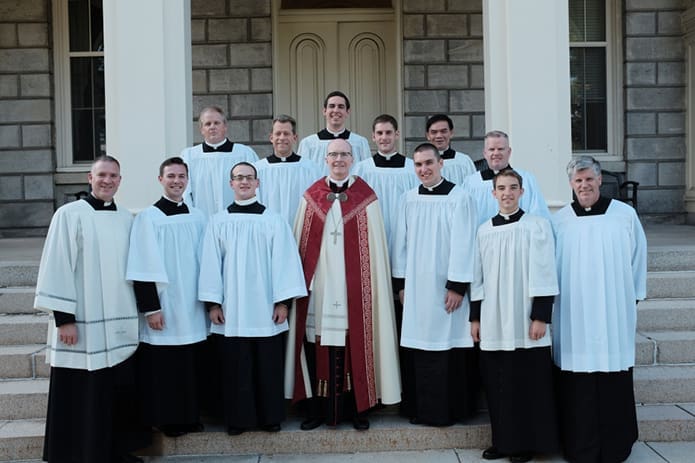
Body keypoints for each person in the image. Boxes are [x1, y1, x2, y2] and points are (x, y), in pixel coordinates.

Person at [34, 155, 149, 463]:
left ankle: (113, 451)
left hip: (117, 324)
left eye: (113, 176)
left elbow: (137, 268)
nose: (107, 180)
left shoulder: (127, 218)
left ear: (120, 181)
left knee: (114, 392)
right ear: (90, 177)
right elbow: (57, 265)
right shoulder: (69, 214)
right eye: (102, 175)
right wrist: (64, 319)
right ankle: (78, 453)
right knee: (83, 392)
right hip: (81, 323)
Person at [285, 138, 401, 431]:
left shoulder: (366, 197)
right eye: (333, 154)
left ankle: (357, 409)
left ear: (353, 159)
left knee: (355, 341)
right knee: (316, 342)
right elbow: (300, 244)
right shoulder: (311, 196)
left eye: (344, 155)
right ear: (326, 159)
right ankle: (316, 410)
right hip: (320, 284)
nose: (338, 159)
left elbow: (374, 250)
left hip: (355, 286)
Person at [199, 162, 307, 436]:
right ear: (231, 184)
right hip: (231, 309)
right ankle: (238, 418)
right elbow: (210, 264)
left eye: (249, 178)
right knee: (236, 367)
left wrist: (283, 302)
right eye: (238, 178)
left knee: (267, 365)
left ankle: (270, 417)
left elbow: (285, 263)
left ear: (258, 183)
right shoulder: (218, 221)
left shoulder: (273, 220)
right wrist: (213, 303)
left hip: (266, 308)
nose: (244, 182)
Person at [552, 156, 647, 463]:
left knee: (612, 377)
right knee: (577, 381)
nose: (584, 185)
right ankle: (580, 445)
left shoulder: (624, 215)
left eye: (589, 179)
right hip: (572, 313)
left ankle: (615, 445)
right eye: (578, 181)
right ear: (570, 184)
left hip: (613, 310)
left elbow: (638, 257)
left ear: (599, 180)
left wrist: (630, 298)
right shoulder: (560, 220)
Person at [469, 169, 559, 462]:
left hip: (525, 319)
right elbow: (477, 278)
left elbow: (545, 272)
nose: (507, 193)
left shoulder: (537, 226)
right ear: (493, 194)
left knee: (528, 384)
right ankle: (503, 442)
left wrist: (540, 316)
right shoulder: (484, 230)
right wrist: (476, 318)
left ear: (522, 192)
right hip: (494, 320)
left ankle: (526, 444)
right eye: (501, 188)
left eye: (513, 187)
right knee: (498, 385)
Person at [392, 143, 479, 426]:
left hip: (446, 289)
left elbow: (465, 243)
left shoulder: (459, 197)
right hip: (416, 289)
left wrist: (456, 286)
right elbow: (400, 245)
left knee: (447, 347)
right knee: (420, 347)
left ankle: (450, 411)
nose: (424, 169)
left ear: (441, 164)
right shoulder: (408, 198)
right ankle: (422, 409)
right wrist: (401, 284)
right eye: (418, 165)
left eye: (429, 163)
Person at [126, 157, 208, 438]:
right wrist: (151, 308)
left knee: (190, 364)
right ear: (160, 180)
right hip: (166, 304)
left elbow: (205, 262)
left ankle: (190, 416)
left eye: (181, 176)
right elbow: (141, 264)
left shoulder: (198, 216)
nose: (176, 181)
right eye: (171, 176)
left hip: (193, 304)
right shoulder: (149, 218)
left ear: (187, 180)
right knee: (165, 367)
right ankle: (167, 419)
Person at [352, 114, 419, 255]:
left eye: (388, 132)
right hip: (373, 231)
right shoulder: (362, 169)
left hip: (404, 232)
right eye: (379, 133)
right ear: (373, 136)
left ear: (397, 134)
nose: (384, 137)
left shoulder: (411, 167)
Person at [181, 105, 258, 216]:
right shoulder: (189, 156)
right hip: (203, 220)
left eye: (217, 123)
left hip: (237, 218)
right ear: (201, 129)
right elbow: (185, 192)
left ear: (225, 126)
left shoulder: (244, 153)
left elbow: (255, 188)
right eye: (208, 124)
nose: (212, 127)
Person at [464, 130, 549, 225]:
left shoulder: (526, 179)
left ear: (509, 152)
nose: (496, 153)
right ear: (485, 153)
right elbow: (466, 219)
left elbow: (538, 215)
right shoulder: (471, 183)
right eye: (491, 149)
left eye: (500, 149)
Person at [254, 115, 322, 225]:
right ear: (271, 138)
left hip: (301, 231)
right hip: (269, 229)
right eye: (278, 134)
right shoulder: (258, 169)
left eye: (286, 133)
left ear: (295, 137)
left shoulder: (311, 169)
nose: (282, 138)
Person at [297, 90, 372, 171]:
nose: (336, 110)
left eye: (341, 106)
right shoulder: (308, 144)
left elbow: (367, 174)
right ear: (324, 111)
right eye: (332, 106)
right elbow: (302, 174)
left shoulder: (360, 143)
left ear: (347, 112)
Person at [425, 114, 476, 185]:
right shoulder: (421, 163)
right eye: (434, 132)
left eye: (443, 131)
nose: (439, 136)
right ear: (428, 135)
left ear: (451, 133)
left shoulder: (464, 161)